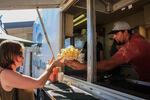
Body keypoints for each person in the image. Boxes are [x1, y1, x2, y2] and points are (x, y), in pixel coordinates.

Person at [65, 21, 150, 82]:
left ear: (126, 32)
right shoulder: (136, 39)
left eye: (116, 33)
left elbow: (109, 64)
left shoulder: (133, 45)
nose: (114, 37)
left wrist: (82, 66)